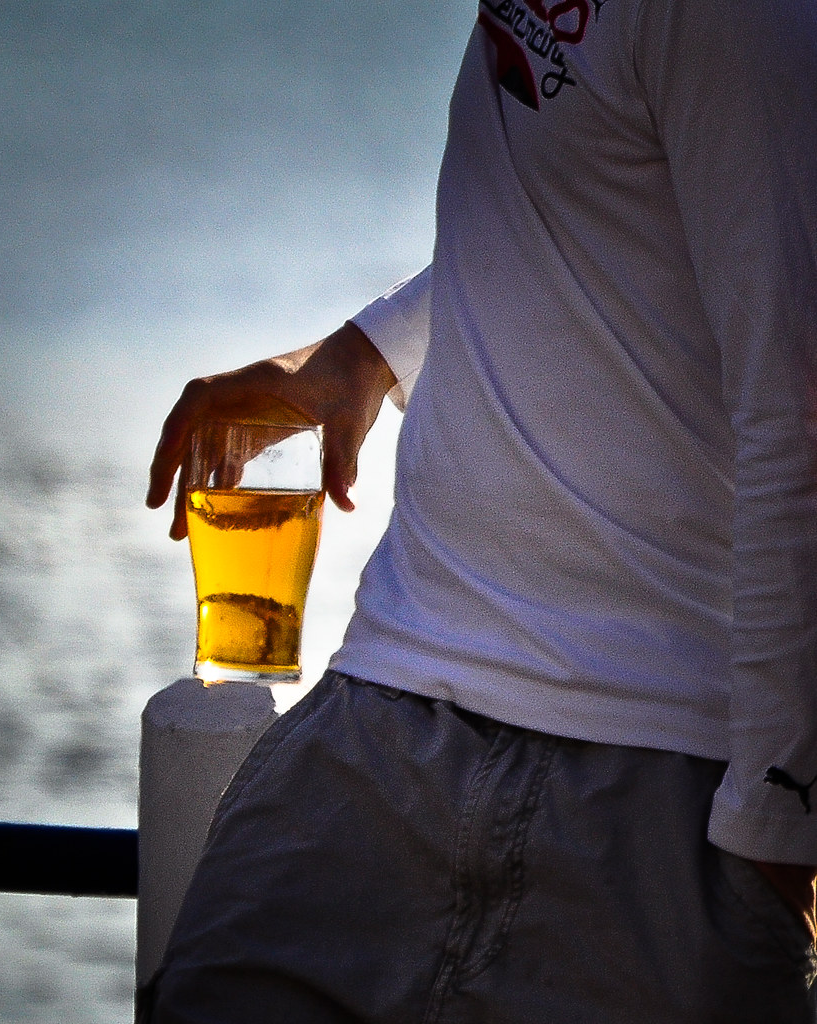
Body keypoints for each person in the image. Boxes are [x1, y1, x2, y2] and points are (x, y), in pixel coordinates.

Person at [141, 0, 817, 1018]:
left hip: (646, 774)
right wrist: (364, 355)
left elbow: (795, 406)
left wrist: (775, 832)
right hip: (379, 718)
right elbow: (579, 188)